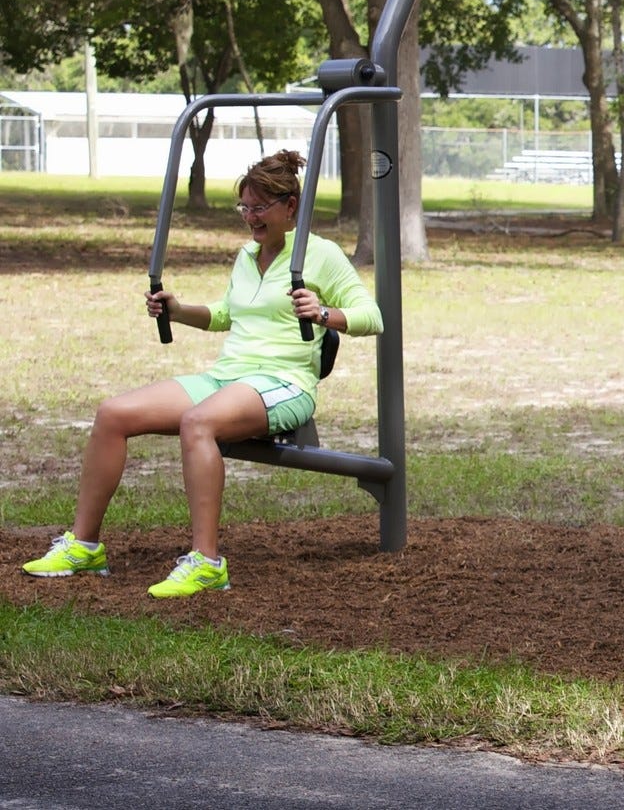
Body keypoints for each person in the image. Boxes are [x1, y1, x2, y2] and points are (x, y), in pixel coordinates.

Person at [20, 150, 383, 598]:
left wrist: (325, 312)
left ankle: (207, 563)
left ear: (291, 207)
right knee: (113, 414)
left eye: (259, 208)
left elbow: (373, 316)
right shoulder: (247, 256)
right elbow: (226, 315)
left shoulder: (320, 255)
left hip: (284, 384)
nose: (250, 217)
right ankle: (84, 545)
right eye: (244, 208)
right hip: (228, 377)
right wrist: (177, 310)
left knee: (199, 422)